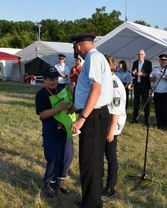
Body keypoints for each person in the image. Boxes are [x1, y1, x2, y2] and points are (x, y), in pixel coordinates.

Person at [70, 33, 113, 208]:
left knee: (90, 162)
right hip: (95, 114)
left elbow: (96, 89)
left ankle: (92, 204)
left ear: (78, 46)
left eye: (75, 47)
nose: (75, 50)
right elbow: (90, 89)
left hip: (93, 116)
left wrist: (82, 118)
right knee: (93, 160)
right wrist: (76, 106)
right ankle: (91, 199)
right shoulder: (96, 57)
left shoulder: (93, 58)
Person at [35, 66, 74, 197]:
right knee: (52, 157)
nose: (54, 82)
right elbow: (43, 115)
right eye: (51, 79)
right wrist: (59, 108)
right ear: (44, 80)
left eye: (56, 79)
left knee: (66, 156)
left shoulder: (59, 90)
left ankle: (60, 180)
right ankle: (49, 182)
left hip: (64, 130)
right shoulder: (41, 94)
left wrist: (71, 88)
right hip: (51, 130)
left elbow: (69, 95)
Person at [103, 54, 127, 197]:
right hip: (105, 122)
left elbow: (116, 111)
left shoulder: (114, 85)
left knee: (110, 156)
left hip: (111, 125)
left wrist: (111, 132)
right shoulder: (107, 81)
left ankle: (111, 186)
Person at [149, 54, 167, 130]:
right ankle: (159, 124)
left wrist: (163, 76)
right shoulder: (155, 69)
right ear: (159, 61)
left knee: (166, 109)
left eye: (165, 60)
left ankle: (166, 125)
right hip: (157, 92)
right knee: (158, 109)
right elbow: (150, 79)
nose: (163, 62)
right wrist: (153, 78)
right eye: (162, 60)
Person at [131, 49, 152, 125]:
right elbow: (132, 73)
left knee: (145, 103)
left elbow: (149, 74)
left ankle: (146, 121)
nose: (140, 56)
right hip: (137, 85)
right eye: (139, 54)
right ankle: (134, 119)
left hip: (145, 86)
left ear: (144, 55)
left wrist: (142, 74)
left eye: (141, 54)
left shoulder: (148, 63)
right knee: (136, 102)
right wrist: (134, 73)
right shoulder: (135, 63)